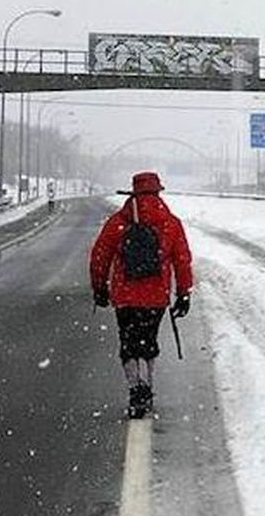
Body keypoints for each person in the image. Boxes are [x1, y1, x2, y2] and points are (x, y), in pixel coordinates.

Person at [89, 171, 193, 419]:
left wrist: (100, 287)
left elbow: (100, 256)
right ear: (158, 192)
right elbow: (182, 259)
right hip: (156, 296)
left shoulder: (118, 222)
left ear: (133, 191)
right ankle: (148, 386)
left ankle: (135, 388)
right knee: (148, 340)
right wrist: (183, 293)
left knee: (128, 343)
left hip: (125, 296)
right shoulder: (170, 223)